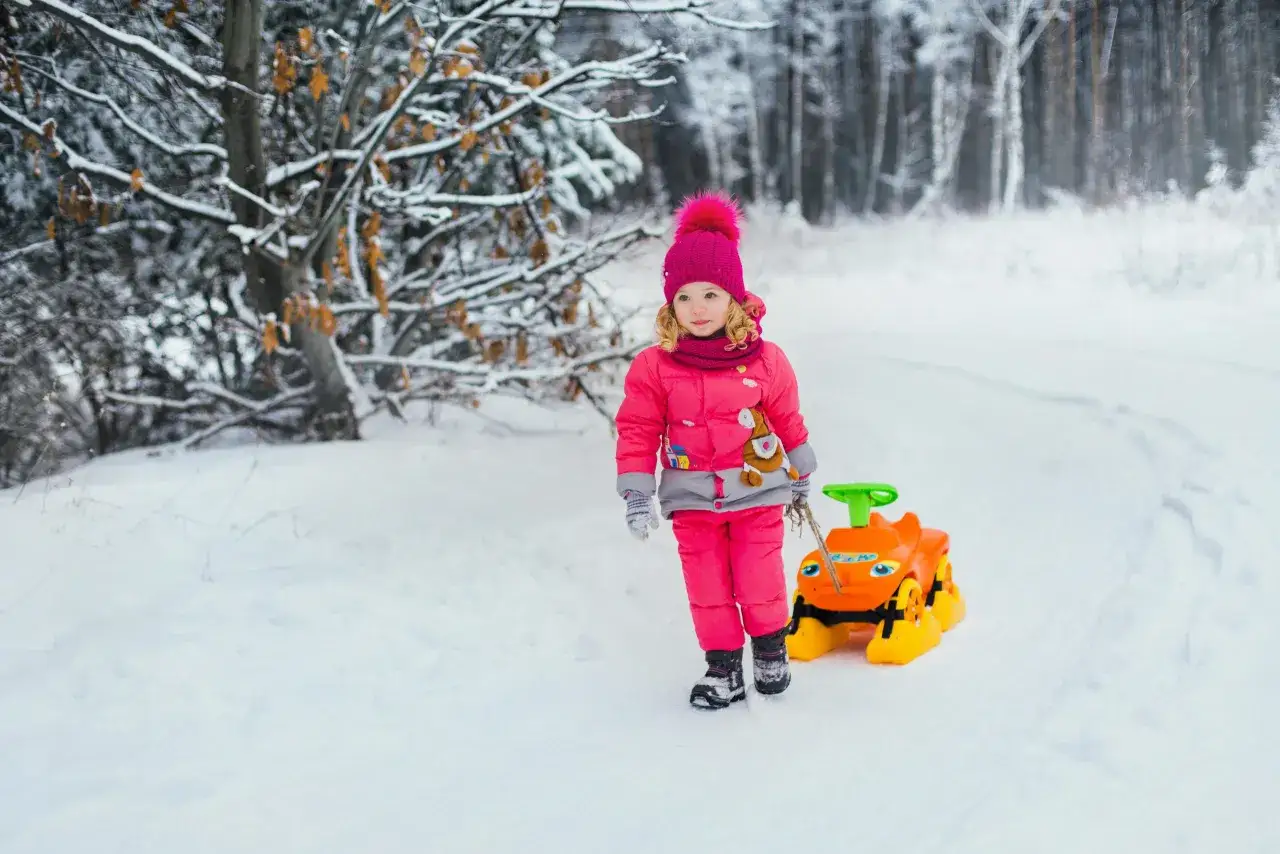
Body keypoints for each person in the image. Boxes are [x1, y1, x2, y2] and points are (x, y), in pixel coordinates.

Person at [613, 190, 818, 710]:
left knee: (759, 576)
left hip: (757, 487)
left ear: (733, 297)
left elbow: (788, 417)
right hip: (691, 498)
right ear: (669, 304)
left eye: (710, 294)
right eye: (683, 297)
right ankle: (722, 668)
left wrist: (799, 467)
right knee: (707, 586)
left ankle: (771, 649)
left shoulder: (767, 360)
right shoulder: (654, 367)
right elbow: (636, 429)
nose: (697, 308)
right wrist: (638, 493)